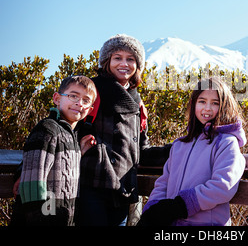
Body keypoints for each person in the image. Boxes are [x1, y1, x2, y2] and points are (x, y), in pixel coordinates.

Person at [76, 34, 171, 226]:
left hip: (122, 191)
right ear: (106, 61)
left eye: (130, 59)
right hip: (91, 187)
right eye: (117, 57)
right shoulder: (90, 91)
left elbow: (141, 151)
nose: (124, 64)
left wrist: (178, 149)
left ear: (138, 65)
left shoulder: (137, 103)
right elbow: (60, 129)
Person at [138, 77, 247, 226]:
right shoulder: (180, 145)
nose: (207, 108)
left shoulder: (226, 143)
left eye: (215, 103)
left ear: (224, 106)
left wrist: (182, 205)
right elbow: (163, 183)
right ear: (194, 104)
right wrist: (152, 210)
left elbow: (223, 186)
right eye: (202, 101)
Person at [17, 76, 97, 226]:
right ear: (57, 98)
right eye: (73, 96)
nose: (79, 103)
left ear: (90, 109)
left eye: (86, 100)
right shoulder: (47, 129)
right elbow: (34, 184)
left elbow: (62, 170)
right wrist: (43, 219)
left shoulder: (70, 135)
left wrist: (79, 153)